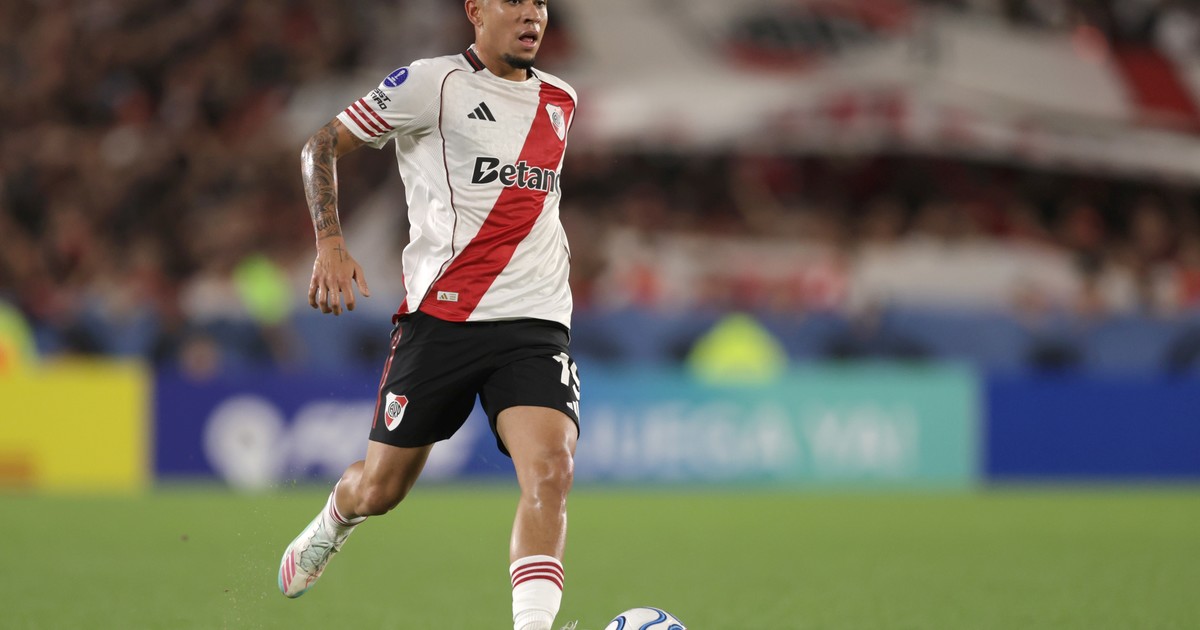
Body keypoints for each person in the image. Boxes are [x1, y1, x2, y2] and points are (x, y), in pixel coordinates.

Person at [276, 2, 581, 629]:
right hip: (442, 321)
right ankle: (336, 516)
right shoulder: (429, 84)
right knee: (380, 490)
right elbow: (320, 144)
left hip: (536, 322)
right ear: (476, 10)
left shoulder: (561, 98)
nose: (532, 14)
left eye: (540, 2)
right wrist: (329, 242)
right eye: (514, 0)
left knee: (550, 471)